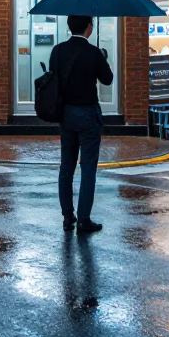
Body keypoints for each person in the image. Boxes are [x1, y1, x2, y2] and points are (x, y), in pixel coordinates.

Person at [49, 15, 113, 234]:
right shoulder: (93, 52)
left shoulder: (57, 51)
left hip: (65, 114)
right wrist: (103, 57)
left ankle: (68, 216)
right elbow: (108, 79)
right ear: (89, 27)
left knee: (66, 166)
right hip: (87, 115)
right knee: (87, 168)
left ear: (69, 26)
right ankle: (84, 219)